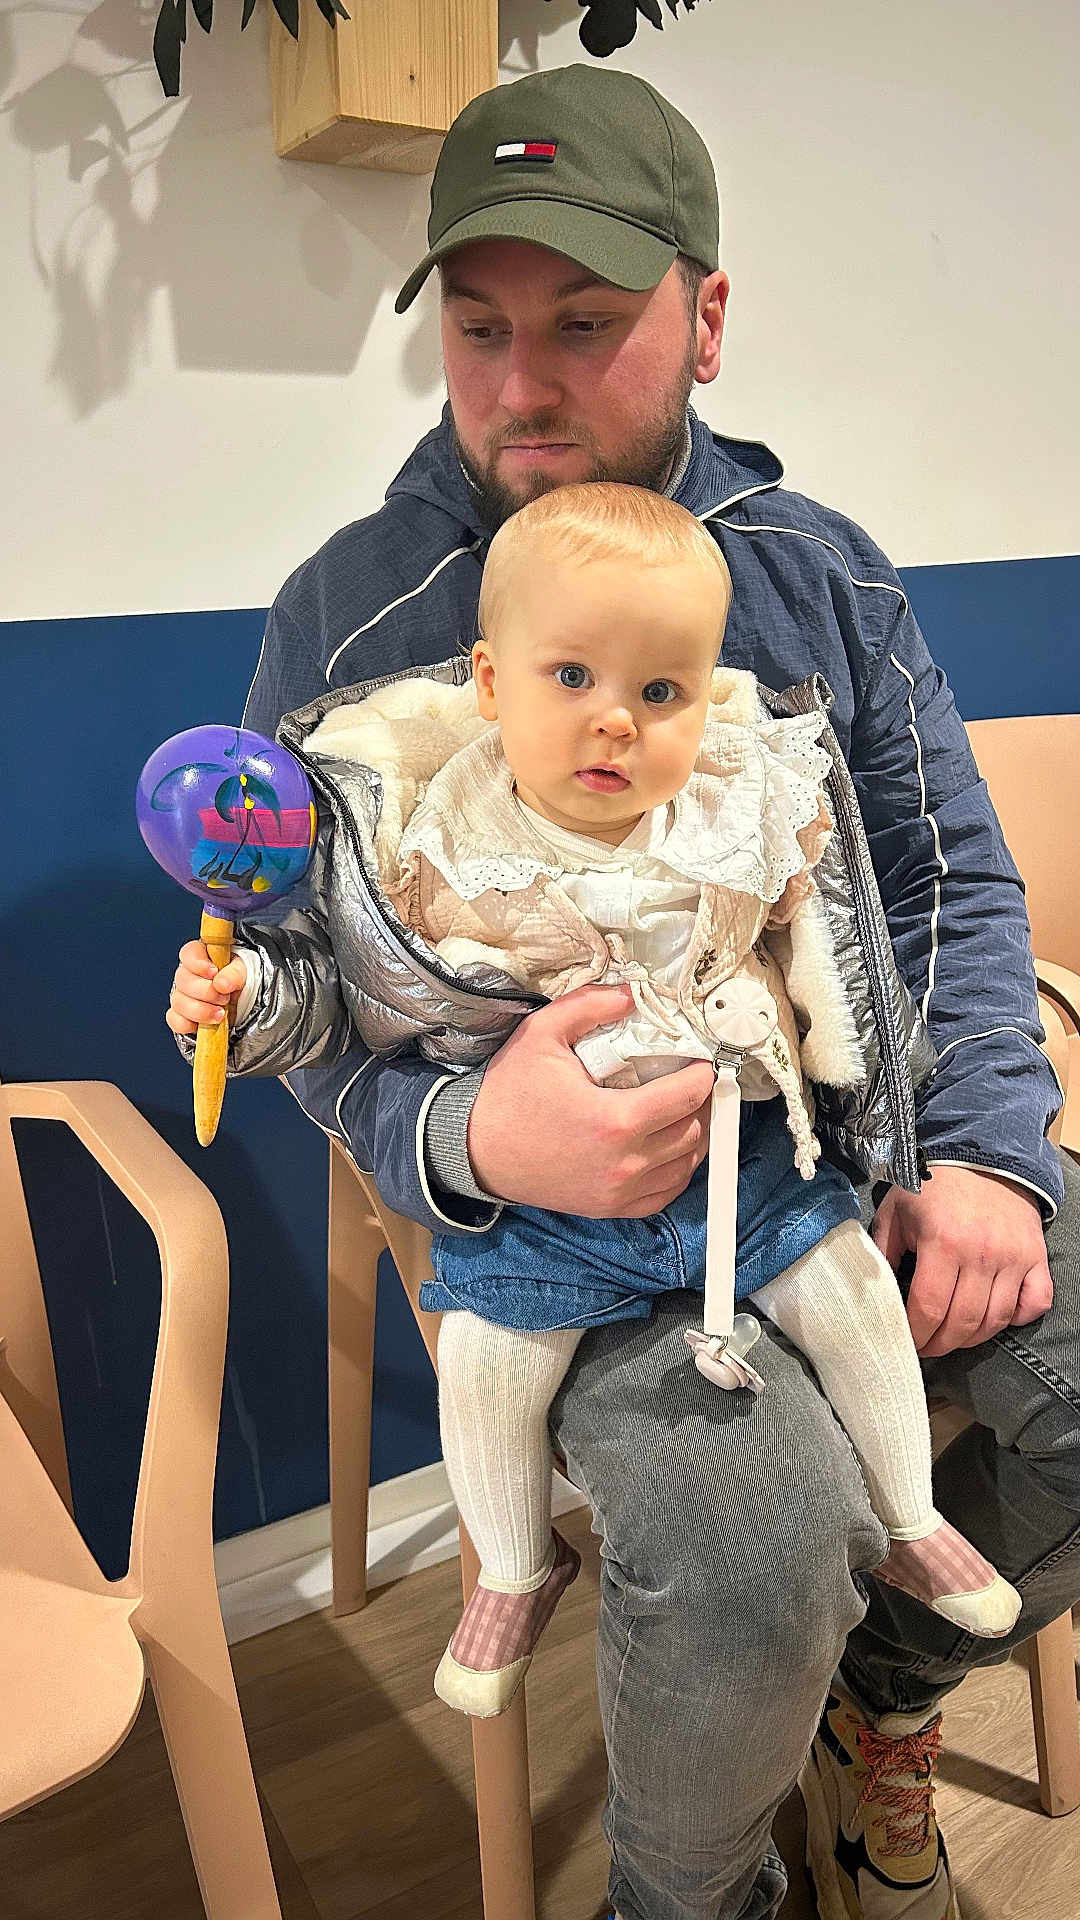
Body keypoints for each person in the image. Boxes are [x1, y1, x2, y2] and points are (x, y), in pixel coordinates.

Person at [167, 64, 1078, 1920]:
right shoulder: (348, 622)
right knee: (753, 1541)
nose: (523, 385)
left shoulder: (824, 578)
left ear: (708, 317)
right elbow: (285, 989)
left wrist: (988, 1154)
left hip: (855, 1142)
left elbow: (948, 881)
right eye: (482, 330)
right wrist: (465, 1128)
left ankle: (871, 1702)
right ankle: (693, 1892)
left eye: (586, 325)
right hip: (568, 1242)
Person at [169, 479, 1023, 1720]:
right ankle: (517, 1563)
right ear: (489, 680)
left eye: (660, 693)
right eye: (571, 678)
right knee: (486, 1364)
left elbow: (851, 934)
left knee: (848, 1294)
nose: (616, 724)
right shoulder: (435, 843)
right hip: (548, 1196)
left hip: (745, 1159)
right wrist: (244, 1002)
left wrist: (896, 1104)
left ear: (708, 694)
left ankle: (908, 1515)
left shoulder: (736, 805)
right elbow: (351, 994)